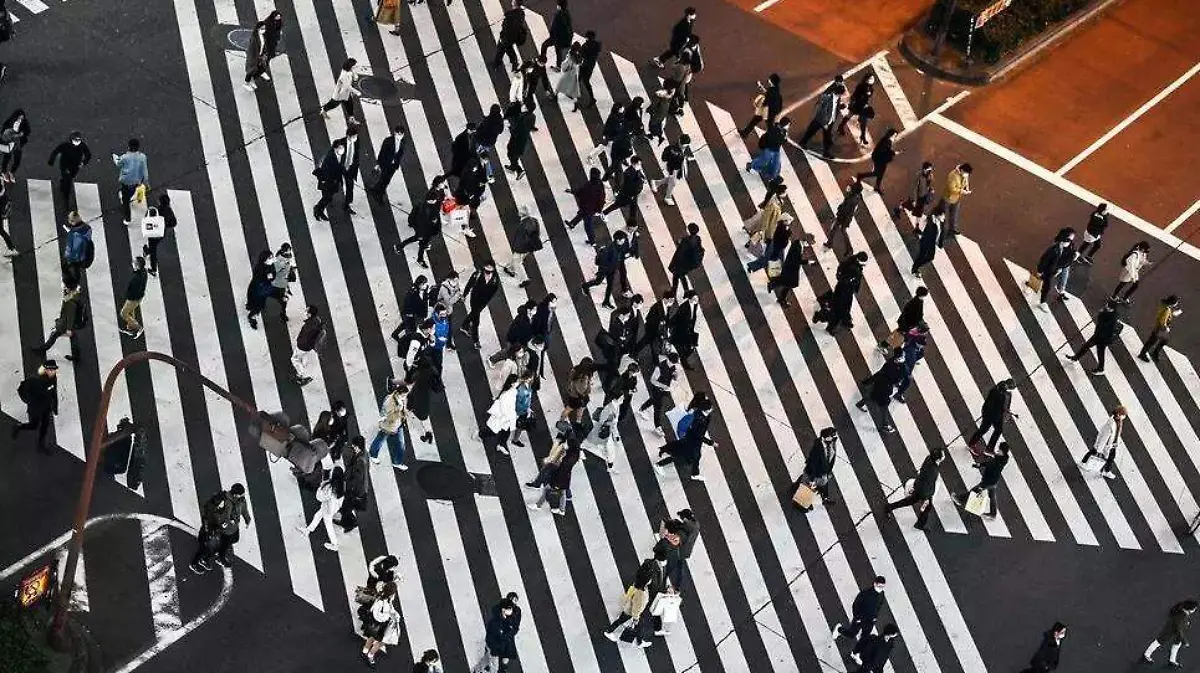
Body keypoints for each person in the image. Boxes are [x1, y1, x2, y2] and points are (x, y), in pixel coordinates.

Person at [603, 548, 667, 647]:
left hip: (634, 596)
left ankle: (610, 631)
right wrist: (636, 617)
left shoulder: (648, 563)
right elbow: (638, 606)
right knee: (635, 620)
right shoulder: (643, 592)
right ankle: (639, 641)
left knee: (625, 617)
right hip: (638, 601)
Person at [190, 483, 251, 573]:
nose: (243, 496)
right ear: (235, 494)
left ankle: (216, 557)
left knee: (230, 540)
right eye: (241, 494)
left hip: (229, 528)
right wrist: (217, 525)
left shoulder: (241, 500)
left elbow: (243, 509)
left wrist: (247, 519)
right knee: (205, 544)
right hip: (214, 525)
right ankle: (195, 563)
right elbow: (211, 511)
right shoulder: (222, 500)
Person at [654, 398, 716, 481]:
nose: (712, 408)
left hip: (693, 440)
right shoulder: (698, 418)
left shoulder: (705, 415)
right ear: (706, 409)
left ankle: (664, 450)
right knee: (684, 457)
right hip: (692, 441)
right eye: (711, 407)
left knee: (692, 455)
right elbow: (698, 435)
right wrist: (711, 442)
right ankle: (659, 464)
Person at [885, 448, 945, 530]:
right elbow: (928, 484)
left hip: (919, 486)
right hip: (924, 492)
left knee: (910, 501)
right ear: (938, 459)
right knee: (926, 507)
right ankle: (920, 525)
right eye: (943, 455)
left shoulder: (929, 458)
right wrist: (928, 497)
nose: (944, 456)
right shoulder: (933, 471)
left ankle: (890, 507)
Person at [1065, 298, 1122, 375]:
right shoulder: (1109, 312)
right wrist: (1102, 313)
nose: (1106, 306)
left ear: (1112, 308)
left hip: (1103, 338)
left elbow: (1102, 325)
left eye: (1108, 306)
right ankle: (1075, 358)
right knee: (1087, 346)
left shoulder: (1113, 317)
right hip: (1098, 335)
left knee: (1099, 353)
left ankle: (1100, 369)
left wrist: (1101, 314)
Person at [482, 373, 535, 456]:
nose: (518, 382)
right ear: (512, 383)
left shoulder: (514, 391)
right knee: (493, 431)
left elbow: (517, 399)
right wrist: (511, 417)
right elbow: (504, 409)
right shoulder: (506, 395)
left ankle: (501, 445)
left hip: (508, 418)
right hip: (502, 417)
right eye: (517, 381)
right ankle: (480, 433)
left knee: (505, 432)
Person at [954, 441, 1010, 518]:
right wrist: (981, 465)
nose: (998, 450)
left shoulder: (997, 460)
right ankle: (993, 514)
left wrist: (981, 465)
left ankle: (959, 499)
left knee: (974, 490)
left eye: (999, 449)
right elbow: (989, 463)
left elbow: (989, 465)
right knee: (992, 496)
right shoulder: (1003, 459)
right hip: (994, 481)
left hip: (988, 481)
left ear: (1002, 451)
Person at [13, 361, 59, 453]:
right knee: (34, 425)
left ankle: (41, 443)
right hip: (36, 409)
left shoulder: (53, 379)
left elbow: (54, 392)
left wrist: (55, 406)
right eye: (51, 370)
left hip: (46, 408)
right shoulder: (34, 380)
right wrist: (30, 401)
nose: (53, 372)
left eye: (54, 370)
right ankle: (19, 427)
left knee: (45, 425)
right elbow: (21, 390)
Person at [33, 284, 86, 363]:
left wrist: (68, 328)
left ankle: (42, 349)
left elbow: (70, 316)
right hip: (71, 323)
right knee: (73, 338)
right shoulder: (74, 299)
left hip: (66, 324)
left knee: (54, 335)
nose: (65, 290)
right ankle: (76, 356)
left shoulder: (71, 301)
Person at [855, 348, 904, 433]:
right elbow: (893, 379)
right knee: (883, 407)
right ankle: (885, 425)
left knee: (872, 396)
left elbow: (881, 373)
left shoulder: (890, 362)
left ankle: (860, 403)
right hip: (884, 388)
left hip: (880, 385)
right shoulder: (893, 366)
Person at [298, 466, 344, 552]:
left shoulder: (330, 487)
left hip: (328, 509)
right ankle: (308, 530)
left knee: (328, 525)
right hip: (333, 507)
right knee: (317, 516)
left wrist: (321, 487)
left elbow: (320, 497)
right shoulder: (341, 484)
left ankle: (335, 544)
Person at [797, 76, 844, 159]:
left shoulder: (837, 97)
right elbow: (823, 111)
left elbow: (833, 108)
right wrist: (824, 123)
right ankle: (803, 142)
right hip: (821, 120)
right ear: (838, 93)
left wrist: (840, 107)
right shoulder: (828, 97)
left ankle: (826, 152)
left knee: (825, 136)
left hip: (829, 120)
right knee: (811, 130)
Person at [583, 230, 632, 308]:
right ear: (618, 240)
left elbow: (619, 256)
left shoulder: (620, 246)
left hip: (612, 269)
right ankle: (585, 285)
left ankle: (606, 302)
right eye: (623, 239)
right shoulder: (610, 249)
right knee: (598, 282)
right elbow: (603, 262)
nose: (624, 241)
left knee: (610, 285)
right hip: (605, 269)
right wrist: (601, 272)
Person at [833, 576, 886, 645]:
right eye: (879, 586)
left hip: (870, 620)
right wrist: (857, 617)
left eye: (882, 586)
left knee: (865, 636)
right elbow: (855, 605)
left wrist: (875, 617)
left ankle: (859, 649)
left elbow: (879, 606)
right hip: (860, 618)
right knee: (851, 634)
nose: (881, 588)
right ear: (874, 584)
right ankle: (839, 629)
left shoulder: (881, 594)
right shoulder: (865, 593)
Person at [369, 381, 410, 470]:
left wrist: (404, 412)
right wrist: (400, 414)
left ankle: (397, 462)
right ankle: (373, 454)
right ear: (399, 393)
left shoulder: (400, 398)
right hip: (389, 425)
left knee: (400, 444)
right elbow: (389, 416)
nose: (405, 397)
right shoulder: (390, 401)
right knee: (380, 439)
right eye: (404, 395)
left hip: (398, 424)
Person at [1144, 600, 1197, 667]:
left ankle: (1172, 660)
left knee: (1175, 645)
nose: (1194, 610)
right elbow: (1179, 629)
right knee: (1159, 642)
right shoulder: (1181, 616)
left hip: (1176, 632)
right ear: (1189, 609)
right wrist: (1185, 641)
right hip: (1171, 631)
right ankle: (1146, 654)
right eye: (1194, 609)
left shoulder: (1182, 611)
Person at [460, 261, 501, 349]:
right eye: (486, 268)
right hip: (474, 299)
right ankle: (476, 340)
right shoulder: (477, 274)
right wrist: (464, 294)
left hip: (484, 301)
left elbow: (494, 291)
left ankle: (464, 325)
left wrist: (487, 301)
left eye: (490, 269)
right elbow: (470, 284)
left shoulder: (495, 278)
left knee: (474, 313)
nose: (488, 271)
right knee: (476, 320)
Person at [473, 597, 521, 672]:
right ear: (503, 610)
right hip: (494, 649)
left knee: (486, 659)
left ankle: (476, 670)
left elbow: (515, 628)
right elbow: (491, 638)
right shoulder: (495, 623)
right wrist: (495, 648)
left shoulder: (509, 619)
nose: (511, 611)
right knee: (494, 668)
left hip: (501, 647)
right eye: (509, 609)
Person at [967, 378, 1015, 453]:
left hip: (998, 415)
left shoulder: (1005, 392)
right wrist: (988, 415)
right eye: (1009, 388)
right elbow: (989, 405)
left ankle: (989, 449)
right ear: (1006, 385)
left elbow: (1005, 403)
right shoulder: (996, 391)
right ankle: (971, 444)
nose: (1009, 390)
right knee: (983, 429)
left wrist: (1005, 411)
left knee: (998, 430)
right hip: (990, 415)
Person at [394, 191, 441, 268]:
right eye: (435, 199)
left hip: (428, 230)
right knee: (418, 240)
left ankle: (400, 246)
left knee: (418, 240)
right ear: (431, 200)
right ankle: (418, 258)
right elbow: (420, 222)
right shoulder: (424, 210)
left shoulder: (428, 206)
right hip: (424, 231)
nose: (436, 201)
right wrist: (421, 233)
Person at [360, 581, 401, 668]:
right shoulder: (385, 604)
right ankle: (370, 656)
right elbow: (382, 617)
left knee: (371, 637)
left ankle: (365, 651)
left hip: (371, 624)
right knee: (380, 643)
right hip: (380, 626)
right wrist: (392, 616)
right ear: (391, 594)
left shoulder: (380, 596)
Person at [797, 428, 839, 510]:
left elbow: (831, 458)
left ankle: (825, 499)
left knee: (824, 485)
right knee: (809, 488)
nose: (834, 437)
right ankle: (801, 505)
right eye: (832, 436)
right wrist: (812, 479)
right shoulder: (817, 448)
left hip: (824, 472)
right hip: (815, 474)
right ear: (824, 437)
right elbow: (813, 464)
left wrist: (828, 472)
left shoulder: (832, 443)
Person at [47, 130, 91, 208]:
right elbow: (56, 151)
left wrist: (83, 162)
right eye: (75, 139)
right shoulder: (65, 145)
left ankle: (63, 183)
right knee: (68, 181)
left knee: (71, 177)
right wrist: (51, 161)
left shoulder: (82, 146)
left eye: (78, 140)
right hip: (65, 166)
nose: (77, 141)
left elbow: (88, 154)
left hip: (75, 166)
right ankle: (66, 198)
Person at [826, 251, 868, 334]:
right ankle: (833, 325)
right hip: (844, 290)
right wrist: (851, 282)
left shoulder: (852, 262)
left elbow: (842, 270)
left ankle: (844, 321)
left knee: (844, 307)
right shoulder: (853, 268)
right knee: (839, 309)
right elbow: (846, 278)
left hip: (846, 290)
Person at [1080, 405, 1125, 479]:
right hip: (1108, 444)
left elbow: (1117, 433)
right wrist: (1099, 449)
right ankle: (1105, 471)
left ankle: (1084, 463)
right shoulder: (1111, 424)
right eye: (1123, 415)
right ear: (1118, 414)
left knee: (1107, 456)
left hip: (1112, 444)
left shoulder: (1119, 421)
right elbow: (1104, 437)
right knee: (1097, 452)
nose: (1124, 417)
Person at [601, 156, 646, 227]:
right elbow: (627, 185)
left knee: (633, 208)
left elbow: (639, 175)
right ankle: (604, 213)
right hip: (627, 195)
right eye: (638, 164)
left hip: (633, 195)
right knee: (617, 205)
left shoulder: (636, 170)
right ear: (633, 164)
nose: (640, 166)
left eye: (640, 164)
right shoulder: (628, 173)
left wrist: (642, 179)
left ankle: (632, 223)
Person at [502, 207, 542, 287]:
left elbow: (521, 238)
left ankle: (524, 279)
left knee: (517, 262)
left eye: (520, 212)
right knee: (517, 258)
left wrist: (517, 247)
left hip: (522, 247)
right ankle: (509, 268)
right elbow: (537, 233)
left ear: (522, 214)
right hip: (530, 247)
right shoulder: (534, 220)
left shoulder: (524, 224)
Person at [113, 138, 149, 225]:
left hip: (126, 180)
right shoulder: (142, 157)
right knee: (131, 191)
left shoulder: (125, 157)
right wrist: (146, 182)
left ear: (129, 147)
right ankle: (129, 196)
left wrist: (115, 158)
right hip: (136, 180)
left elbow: (118, 164)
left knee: (125, 201)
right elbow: (145, 171)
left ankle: (128, 218)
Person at [824, 177, 864, 254]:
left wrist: (840, 211)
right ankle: (832, 244)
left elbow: (846, 209)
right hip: (846, 217)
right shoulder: (857, 196)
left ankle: (833, 244)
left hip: (843, 217)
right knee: (840, 230)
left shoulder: (852, 198)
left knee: (837, 229)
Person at [652, 134, 694, 207]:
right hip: (672, 168)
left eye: (685, 145)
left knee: (672, 180)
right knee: (673, 183)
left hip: (678, 168)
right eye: (683, 145)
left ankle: (656, 183)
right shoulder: (672, 149)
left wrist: (686, 158)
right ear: (679, 141)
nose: (683, 146)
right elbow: (665, 158)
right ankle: (667, 197)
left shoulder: (681, 148)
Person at [291, 304, 327, 386]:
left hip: (303, 347)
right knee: (302, 361)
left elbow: (305, 337)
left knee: (295, 360)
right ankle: (302, 375)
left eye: (307, 311)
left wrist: (299, 343)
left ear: (310, 314)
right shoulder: (316, 320)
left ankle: (303, 375)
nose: (305, 312)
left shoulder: (309, 325)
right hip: (308, 347)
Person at [746, 117, 789, 183]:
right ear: (784, 125)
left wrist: (784, 138)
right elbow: (775, 141)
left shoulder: (783, 131)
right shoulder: (774, 130)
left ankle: (774, 175)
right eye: (788, 125)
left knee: (776, 163)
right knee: (763, 160)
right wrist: (783, 139)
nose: (788, 127)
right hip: (769, 148)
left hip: (776, 149)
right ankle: (751, 166)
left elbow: (782, 141)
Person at [1139, 295, 1181, 363]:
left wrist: (1171, 314)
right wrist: (1166, 328)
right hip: (1159, 329)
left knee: (1163, 340)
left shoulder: (1165, 306)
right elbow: (1162, 321)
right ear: (1173, 303)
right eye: (1176, 302)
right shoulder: (1167, 310)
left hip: (1157, 327)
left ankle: (1154, 353)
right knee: (1152, 341)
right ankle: (1143, 354)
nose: (1177, 304)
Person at [856, 127, 898, 193]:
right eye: (894, 135)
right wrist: (892, 153)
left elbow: (886, 150)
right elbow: (883, 151)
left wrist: (891, 153)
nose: (895, 137)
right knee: (877, 173)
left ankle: (877, 186)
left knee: (881, 173)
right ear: (890, 135)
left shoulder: (887, 140)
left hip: (881, 159)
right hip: (879, 159)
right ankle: (861, 176)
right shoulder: (886, 141)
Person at [938, 162, 972, 243]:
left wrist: (967, 187)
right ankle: (939, 230)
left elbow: (966, 181)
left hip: (956, 199)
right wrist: (962, 191)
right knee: (941, 215)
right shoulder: (952, 175)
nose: (966, 175)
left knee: (954, 216)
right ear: (962, 170)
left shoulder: (964, 174)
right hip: (947, 199)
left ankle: (952, 230)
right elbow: (951, 189)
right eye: (966, 173)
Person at [668, 222, 705, 295]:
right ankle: (683, 291)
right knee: (679, 275)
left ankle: (678, 291)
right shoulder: (697, 238)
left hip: (682, 262)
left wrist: (679, 243)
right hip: (689, 262)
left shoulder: (686, 240)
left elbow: (682, 250)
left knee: (678, 275)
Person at [312, 140, 345, 221]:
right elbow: (326, 171)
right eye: (340, 147)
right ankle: (317, 209)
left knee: (328, 197)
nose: (342, 149)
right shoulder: (330, 157)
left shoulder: (338, 155)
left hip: (332, 181)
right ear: (335, 148)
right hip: (327, 181)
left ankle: (319, 210)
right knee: (327, 197)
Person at [894, 161, 934, 226]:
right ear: (924, 169)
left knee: (918, 211)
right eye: (929, 170)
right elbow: (914, 188)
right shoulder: (918, 176)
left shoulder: (930, 176)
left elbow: (928, 185)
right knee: (909, 206)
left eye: (931, 170)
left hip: (923, 196)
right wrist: (914, 200)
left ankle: (917, 226)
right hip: (917, 197)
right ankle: (898, 208)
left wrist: (930, 189)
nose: (930, 172)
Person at [493, 0, 529, 72]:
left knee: (503, 49)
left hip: (507, 37)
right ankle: (502, 62)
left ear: (515, 3)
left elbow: (506, 28)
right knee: (505, 49)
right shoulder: (521, 13)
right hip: (514, 37)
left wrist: (502, 37)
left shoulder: (510, 15)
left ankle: (499, 63)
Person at [118, 256, 149, 340]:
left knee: (123, 313)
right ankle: (131, 327)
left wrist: (128, 297)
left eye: (134, 262)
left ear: (138, 266)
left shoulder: (136, 279)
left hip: (133, 299)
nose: (132, 263)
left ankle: (139, 327)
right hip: (139, 297)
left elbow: (132, 290)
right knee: (131, 311)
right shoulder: (144, 272)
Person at [371, 125, 406, 196]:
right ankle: (378, 192)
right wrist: (378, 163)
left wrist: (397, 164)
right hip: (385, 163)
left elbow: (400, 153)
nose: (400, 136)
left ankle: (379, 190)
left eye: (401, 134)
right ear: (395, 133)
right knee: (383, 178)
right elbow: (382, 152)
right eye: (398, 134)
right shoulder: (388, 140)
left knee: (387, 179)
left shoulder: (403, 142)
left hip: (394, 165)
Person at [540, 0, 572, 69]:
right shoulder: (567, 13)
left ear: (559, 6)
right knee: (558, 53)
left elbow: (555, 27)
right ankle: (558, 67)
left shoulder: (559, 15)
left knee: (544, 45)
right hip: (562, 38)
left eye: (557, 5)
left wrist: (553, 36)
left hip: (556, 37)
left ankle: (542, 61)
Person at [576, 30, 602, 110]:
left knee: (585, 81)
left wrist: (581, 51)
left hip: (586, 65)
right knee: (580, 79)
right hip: (589, 65)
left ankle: (592, 99)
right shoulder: (596, 45)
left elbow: (582, 53)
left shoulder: (587, 45)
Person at [243, 20, 271, 91]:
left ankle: (257, 76)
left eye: (264, 28)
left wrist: (264, 54)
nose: (264, 30)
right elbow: (251, 51)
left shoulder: (262, 36)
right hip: (254, 58)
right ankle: (247, 83)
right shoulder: (254, 39)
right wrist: (254, 59)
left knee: (261, 67)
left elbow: (263, 45)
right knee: (251, 70)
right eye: (262, 28)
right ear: (258, 29)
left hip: (259, 56)